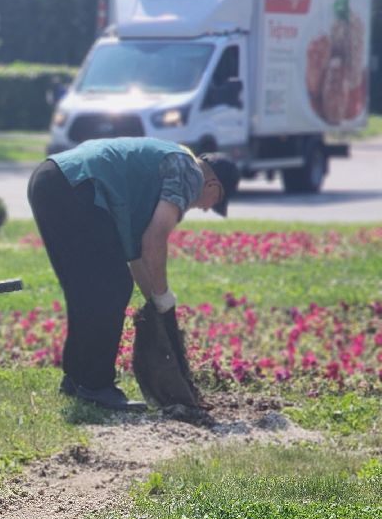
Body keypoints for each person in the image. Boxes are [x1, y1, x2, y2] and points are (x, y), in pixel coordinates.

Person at [27, 137, 239, 410]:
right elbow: (155, 240)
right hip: (76, 186)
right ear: (212, 185)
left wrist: (155, 302)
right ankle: (96, 385)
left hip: (49, 179)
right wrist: (163, 296)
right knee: (112, 287)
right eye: (215, 201)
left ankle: (77, 378)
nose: (207, 208)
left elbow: (138, 254)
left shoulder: (160, 169)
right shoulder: (189, 172)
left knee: (85, 288)